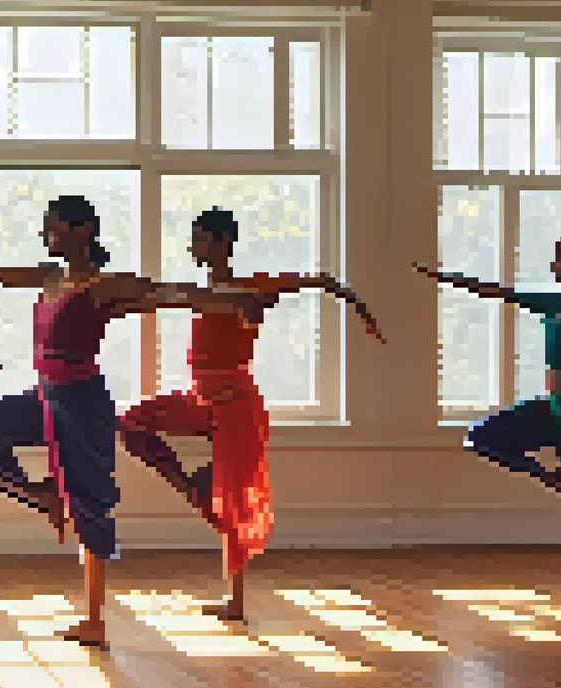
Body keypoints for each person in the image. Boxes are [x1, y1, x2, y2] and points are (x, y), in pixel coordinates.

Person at [0, 196, 266, 649]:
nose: (46, 237)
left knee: (88, 507)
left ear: (81, 232)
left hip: (81, 402)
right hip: (46, 394)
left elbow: (173, 295)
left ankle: (94, 619)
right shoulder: (49, 277)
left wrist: (236, 299)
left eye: (54, 229)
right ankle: (42, 494)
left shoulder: (104, 286)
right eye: (45, 230)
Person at [119, 208, 384, 622]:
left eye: (199, 238)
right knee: (129, 422)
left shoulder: (252, 288)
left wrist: (358, 306)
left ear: (221, 242)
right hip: (198, 396)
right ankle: (190, 486)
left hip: (234, 402)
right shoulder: (204, 290)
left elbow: (316, 281)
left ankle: (236, 602)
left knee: (235, 500)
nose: (192, 246)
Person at [415, 228, 561, 624]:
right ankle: (558, 479)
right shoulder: (554, 302)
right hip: (557, 406)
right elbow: (496, 291)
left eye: (560, 255)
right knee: (482, 436)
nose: (554, 262)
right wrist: (448, 278)